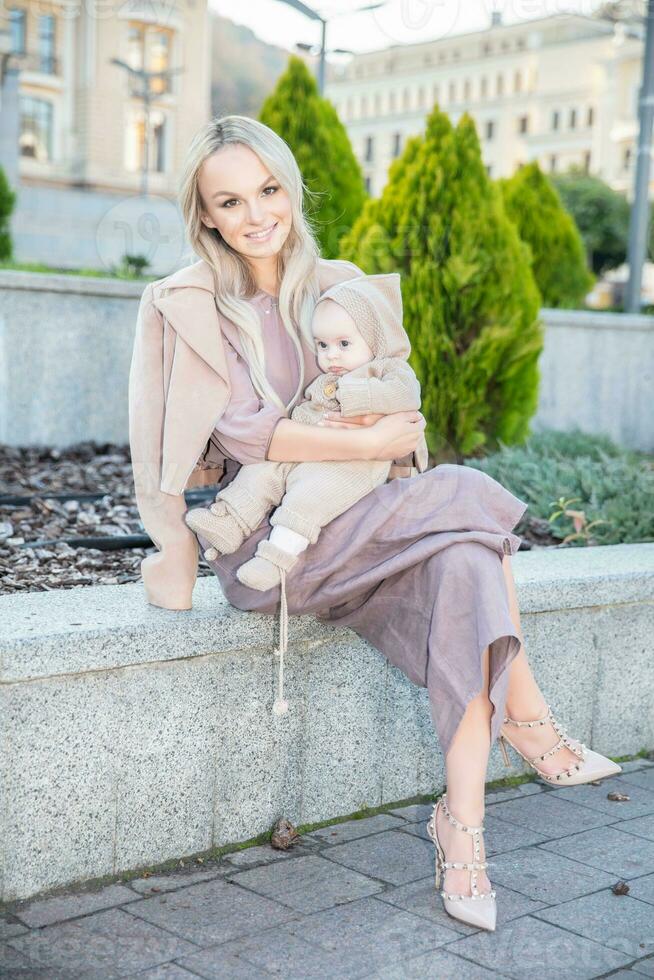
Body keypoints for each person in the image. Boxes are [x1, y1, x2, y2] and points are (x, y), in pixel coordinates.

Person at [127, 114, 622, 933]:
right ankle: (529, 722)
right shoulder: (192, 303)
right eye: (231, 201)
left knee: (467, 561)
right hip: (266, 546)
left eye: (269, 189)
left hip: (362, 517)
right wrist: (373, 437)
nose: (256, 215)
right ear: (205, 214)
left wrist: (387, 435)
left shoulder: (342, 283)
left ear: (290, 187)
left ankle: (462, 830)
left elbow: (398, 404)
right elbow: (248, 434)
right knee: (466, 494)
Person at [183, 271, 429, 595]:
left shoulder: (387, 370)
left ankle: (276, 558)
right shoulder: (330, 376)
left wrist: (352, 396)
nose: (331, 355)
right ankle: (229, 520)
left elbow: (406, 395)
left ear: (376, 338)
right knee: (261, 472)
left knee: (309, 496)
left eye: (344, 343)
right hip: (311, 450)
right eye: (322, 345)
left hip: (354, 466)